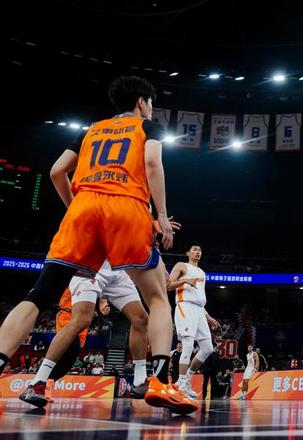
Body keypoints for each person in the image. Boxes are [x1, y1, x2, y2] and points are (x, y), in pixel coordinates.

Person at [0, 75, 196, 414]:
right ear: (141, 102)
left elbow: (56, 171)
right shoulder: (146, 127)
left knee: (39, 295)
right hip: (125, 208)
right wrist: (162, 215)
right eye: (151, 103)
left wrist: (76, 209)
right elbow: (152, 162)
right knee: (156, 298)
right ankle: (160, 381)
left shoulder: (90, 130)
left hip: (84, 208)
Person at [19, 259, 154, 407]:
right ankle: (37, 383)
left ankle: (140, 382)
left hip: (117, 270)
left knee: (141, 319)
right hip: (90, 266)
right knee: (81, 321)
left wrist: (102, 300)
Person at [168, 242, 220, 399]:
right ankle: (180, 383)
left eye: (200, 250)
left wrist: (207, 316)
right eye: (195, 250)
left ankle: (186, 380)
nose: (198, 252)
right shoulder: (181, 266)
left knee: (208, 348)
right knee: (188, 345)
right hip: (185, 306)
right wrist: (185, 281)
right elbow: (168, 285)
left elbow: (199, 298)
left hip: (199, 310)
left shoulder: (202, 273)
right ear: (188, 253)